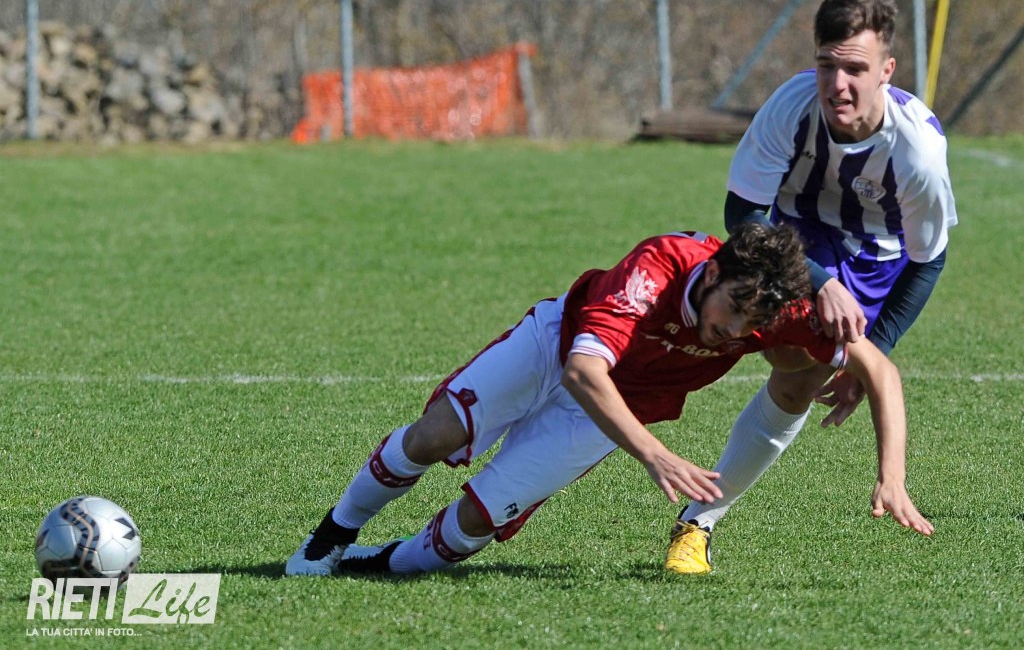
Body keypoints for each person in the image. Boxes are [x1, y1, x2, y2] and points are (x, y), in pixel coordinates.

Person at [285, 223, 932, 577]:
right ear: (712, 273)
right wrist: (654, 455)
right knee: (435, 436)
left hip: (611, 408)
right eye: (732, 308)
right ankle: (332, 535)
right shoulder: (660, 265)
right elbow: (582, 370)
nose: (734, 330)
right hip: (556, 346)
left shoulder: (769, 310)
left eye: (751, 321)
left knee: (477, 520)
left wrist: (892, 476)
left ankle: (381, 562)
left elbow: (881, 370)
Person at [665, 0, 954, 575]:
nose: (838, 85)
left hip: (874, 254)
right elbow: (743, 214)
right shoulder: (792, 107)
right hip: (793, 231)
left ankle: (697, 523)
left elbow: (928, 260)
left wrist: (870, 355)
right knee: (768, 344)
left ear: (887, 71)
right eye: (826, 65)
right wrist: (818, 282)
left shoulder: (918, 153)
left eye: (856, 69)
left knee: (798, 380)